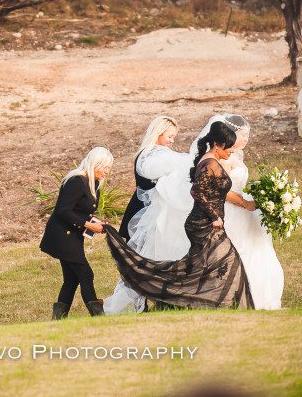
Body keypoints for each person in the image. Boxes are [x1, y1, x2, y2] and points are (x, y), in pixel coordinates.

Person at [104, 121, 254, 310]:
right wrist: (215, 216)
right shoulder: (206, 164)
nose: (231, 152)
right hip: (203, 223)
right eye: (229, 148)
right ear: (218, 144)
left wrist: (241, 201)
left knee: (198, 266)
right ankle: (216, 303)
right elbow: (196, 192)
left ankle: (209, 302)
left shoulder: (209, 161)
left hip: (207, 222)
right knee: (222, 262)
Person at [104, 115, 190, 314]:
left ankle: (159, 301)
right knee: (143, 264)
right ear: (158, 133)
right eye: (169, 136)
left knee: (152, 262)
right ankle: (137, 303)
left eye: (174, 137)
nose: (172, 140)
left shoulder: (157, 154)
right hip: (144, 217)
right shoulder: (152, 157)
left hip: (151, 216)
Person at [218, 114, 284, 310]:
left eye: (248, 135)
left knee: (258, 250)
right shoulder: (224, 157)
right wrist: (245, 203)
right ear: (230, 134)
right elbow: (223, 190)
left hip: (246, 210)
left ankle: (261, 297)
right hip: (232, 211)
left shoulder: (237, 155)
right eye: (242, 135)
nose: (246, 139)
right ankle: (238, 298)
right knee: (240, 251)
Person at [39, 147, 111, 319]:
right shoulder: (77, 181)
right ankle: (99, 317)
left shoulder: (94, 184)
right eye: (104, 167)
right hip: (62, 236)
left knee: (71, 279)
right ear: (94, 164)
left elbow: (81, 210)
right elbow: (63, 211)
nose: (107, 172)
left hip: (73, 236)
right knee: (86, 274)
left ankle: (58, 320)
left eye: (109, 168)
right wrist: (88, 224)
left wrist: (95, 223)